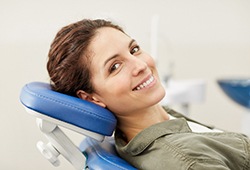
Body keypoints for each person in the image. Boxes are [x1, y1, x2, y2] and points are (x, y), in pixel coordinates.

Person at [47, 19, 250, 170]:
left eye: (134, 50)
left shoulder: (161, 122)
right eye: (115, 66)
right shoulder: (187, 161)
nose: (141, 65)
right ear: (92, 98)